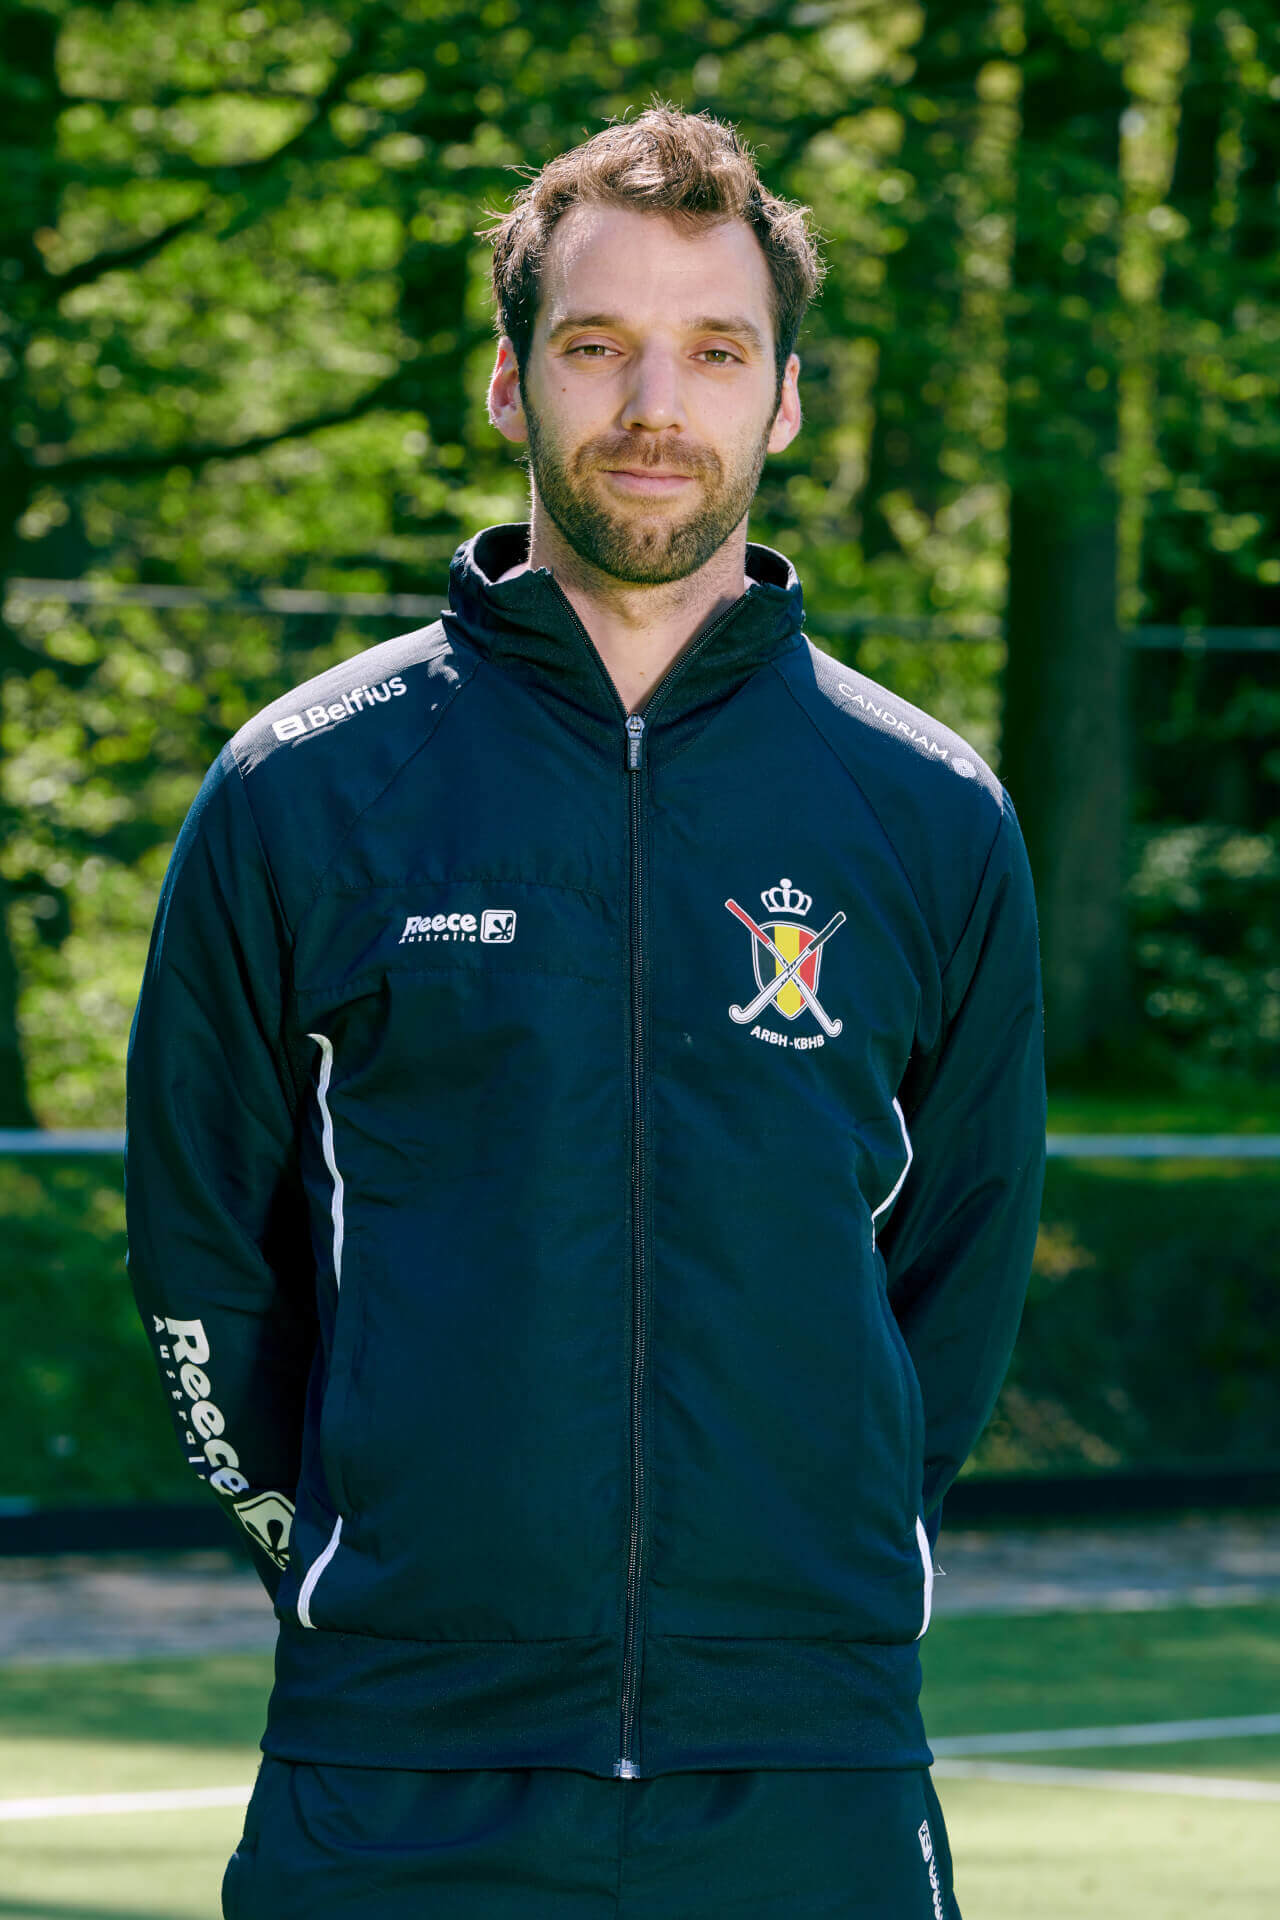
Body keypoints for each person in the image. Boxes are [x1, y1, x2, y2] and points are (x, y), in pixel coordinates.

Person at [125, 103, 1045, 1920]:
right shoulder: (305, 790)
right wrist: (349, 1569)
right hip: (395, 1773)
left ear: (785, 402)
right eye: (596, 344)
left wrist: (829, 1567)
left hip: (808, 1772)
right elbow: (202, 1249)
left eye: (717, 351)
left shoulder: (929, 816)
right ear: (508, 381)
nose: (655, 404)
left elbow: (963, 1269)